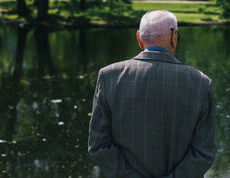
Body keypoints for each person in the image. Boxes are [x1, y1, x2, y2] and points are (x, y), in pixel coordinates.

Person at [88, 10, 216, 177]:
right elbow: (204, 152)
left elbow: (98, 145)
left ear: (139, 38)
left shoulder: (109, 76)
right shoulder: (200, 83)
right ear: (174, 37)